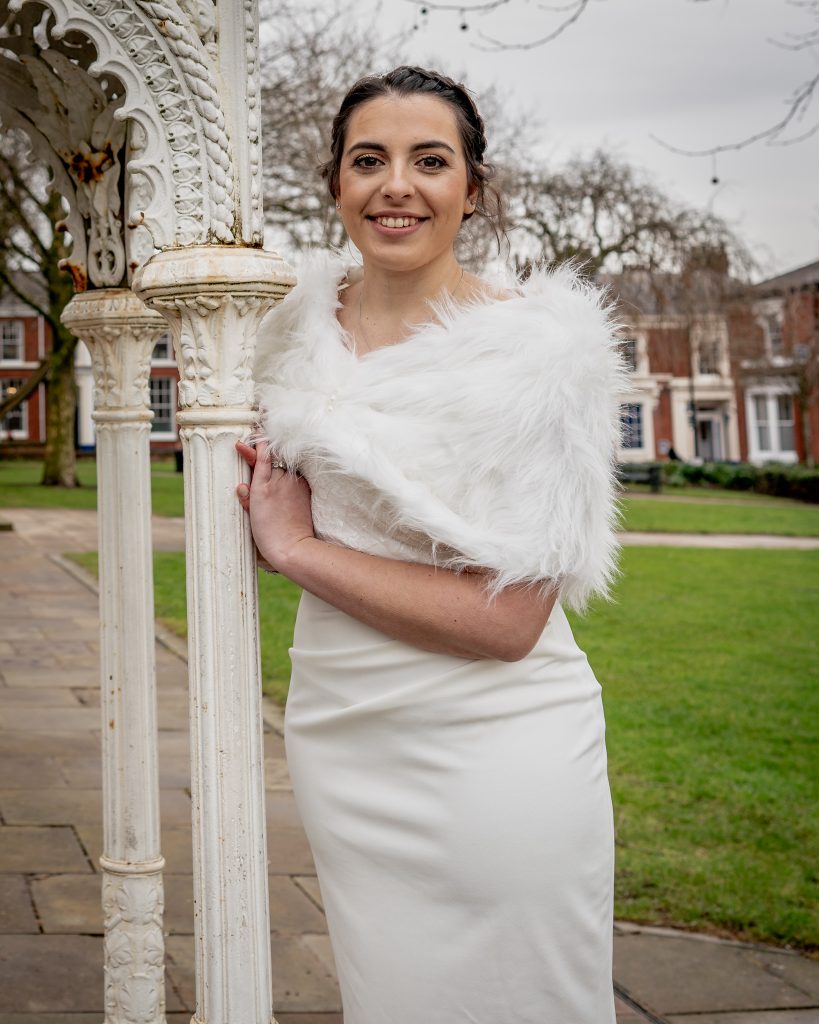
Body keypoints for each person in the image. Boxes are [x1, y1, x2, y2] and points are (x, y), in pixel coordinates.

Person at [236, 65, 624, 1024]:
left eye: (429, 161)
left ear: (472, 190)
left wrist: (299, 551)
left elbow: (509, 625)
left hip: (497, 752)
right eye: (367, 160)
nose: (394, 185)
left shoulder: (537, 355)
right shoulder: (284, 335)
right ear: (335, 183)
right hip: (343, 736)